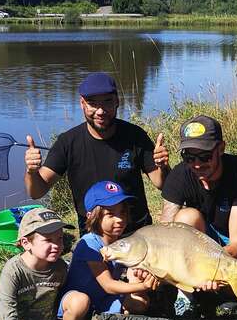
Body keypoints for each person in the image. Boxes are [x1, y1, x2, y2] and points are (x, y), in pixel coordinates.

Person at [24, 72, 169, 234]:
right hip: (93, 233)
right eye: (93, 103)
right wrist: (32, 171)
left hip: (136, 229)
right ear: (82, 104)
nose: (100, 111)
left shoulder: (135, 135)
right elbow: (37, 192)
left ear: (117, 102)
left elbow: (161, 183)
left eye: (107, 102)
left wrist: (163, 166)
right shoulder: (68, 142)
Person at [160, 115, 237, 267]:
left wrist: (206, 264)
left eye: (205, 156)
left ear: (221, 148)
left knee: (232, 288)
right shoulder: (180, 174)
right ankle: (187, 289)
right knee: (186, 217)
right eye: (188, 157)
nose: (196, 164)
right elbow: (164, 233)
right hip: (201, 238)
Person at [60, 181, 161, 318]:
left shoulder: (119, 243)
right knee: (82, 305)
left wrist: (139, 276)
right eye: (111, 214)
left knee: (141, 303)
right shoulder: (89, 244)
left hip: (104, 300)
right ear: (92, 216)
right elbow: (109, 285)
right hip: (80, 304)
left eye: (122, 212)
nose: (120, 219)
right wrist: (143, 287)